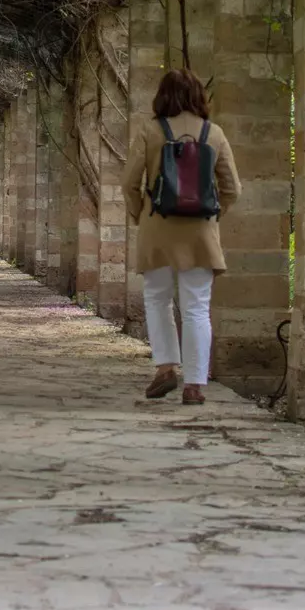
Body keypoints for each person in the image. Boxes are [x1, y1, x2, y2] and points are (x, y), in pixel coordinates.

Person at [119, 67, 242, 407]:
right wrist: (211, 216)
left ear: (162, 96)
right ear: (199, 97)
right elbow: (232, 188)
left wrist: (140, 214)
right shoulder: (213, 134)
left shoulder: (151, 131)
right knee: (197, 307)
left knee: (157, 299)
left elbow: (129, 182)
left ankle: (165, 368)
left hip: (157, 225)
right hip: (200, 231)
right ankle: (195, 384)